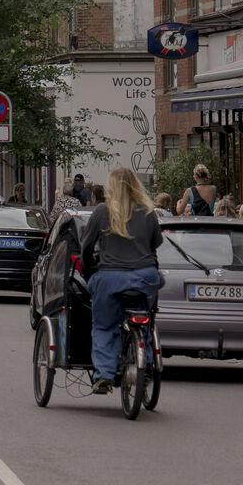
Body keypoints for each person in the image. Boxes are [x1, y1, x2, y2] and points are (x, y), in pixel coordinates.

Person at [77, 167, 164, 395]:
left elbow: (86, 248)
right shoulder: (148, 212)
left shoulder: (102, 211)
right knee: (144, 317)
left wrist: (89, 273)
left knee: (104, 326)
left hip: (110, 279)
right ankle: (144, 362)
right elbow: (156, 244)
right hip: (144, 278)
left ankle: (104, 374)